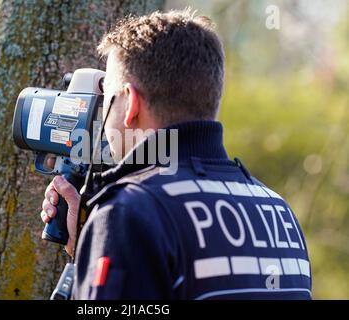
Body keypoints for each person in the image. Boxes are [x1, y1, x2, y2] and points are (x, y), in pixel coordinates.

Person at [40, 9, 312, 299]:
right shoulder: (280, 213)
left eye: (108, 99)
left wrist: (106, 236)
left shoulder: (129, 213)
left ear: (130, 103)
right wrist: (91, 251)